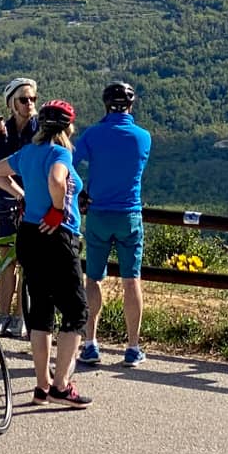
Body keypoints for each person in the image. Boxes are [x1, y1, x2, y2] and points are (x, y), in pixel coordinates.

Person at [0, 99, 92, 409]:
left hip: (29, 235)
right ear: (68, 127)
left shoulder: (27, 153)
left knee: (41, 311)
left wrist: (22, 195)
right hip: (56, 235)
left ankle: (42, 386)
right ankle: (61, 386)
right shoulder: (60, 153)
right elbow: (57, 179)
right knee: (75, 311)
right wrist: (57, 211)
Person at [73, 80, 152, 367]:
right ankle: (132, 347)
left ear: (105, 105)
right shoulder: (143, 137)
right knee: (132, 280)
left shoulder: (92, 134)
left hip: (98, 214)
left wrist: (81, 190)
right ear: (131, 105)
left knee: (93, 278)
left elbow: (67, 162)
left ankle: (91, 343)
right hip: (129, 214)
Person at [0, 77, 39, 339]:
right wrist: (1, 138)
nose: (29, 103)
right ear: (12, 103)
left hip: (31, 200)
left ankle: (21, 316)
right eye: (23, 99)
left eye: (32, 99)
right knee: (7, 260)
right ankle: (3, 315)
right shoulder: (4, 129)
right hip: (7, 200)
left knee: (27, 261)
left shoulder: (39, 128)